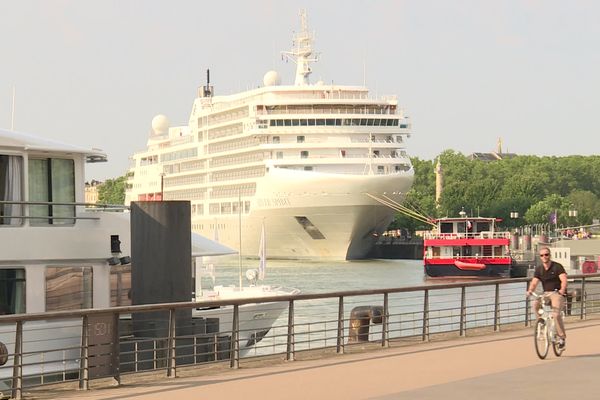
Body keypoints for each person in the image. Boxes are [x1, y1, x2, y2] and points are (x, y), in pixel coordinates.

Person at [526, 247, 568, 349]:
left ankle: (561, 338)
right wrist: (530, 290)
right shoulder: (539, 269)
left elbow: (564, 280)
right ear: (540, 257)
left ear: (550, 255)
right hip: (546, 293)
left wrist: (562, 289)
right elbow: (534, 282)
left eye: (546, 254)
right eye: (542, 255)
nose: (544, 257)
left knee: (555, 314)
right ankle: (541, 322)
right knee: (535, 304)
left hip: (557, 293)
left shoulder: (557, 267)